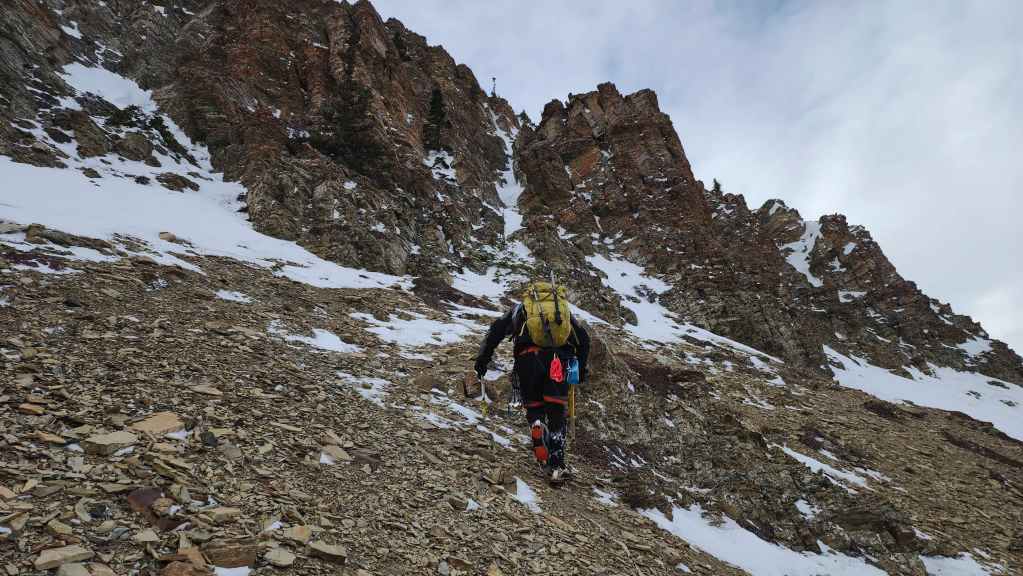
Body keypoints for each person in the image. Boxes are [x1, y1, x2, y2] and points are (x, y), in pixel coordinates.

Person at [473, 282, 590, 484]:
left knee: (534, 405)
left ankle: (537, 426)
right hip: (558, 361)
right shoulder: (562, 312)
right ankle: (556, 464)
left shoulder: (521, 308)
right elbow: (584, 340)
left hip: (527, 360)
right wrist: (579, 370)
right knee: (556, 408)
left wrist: (482, 361)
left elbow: (495, 331)